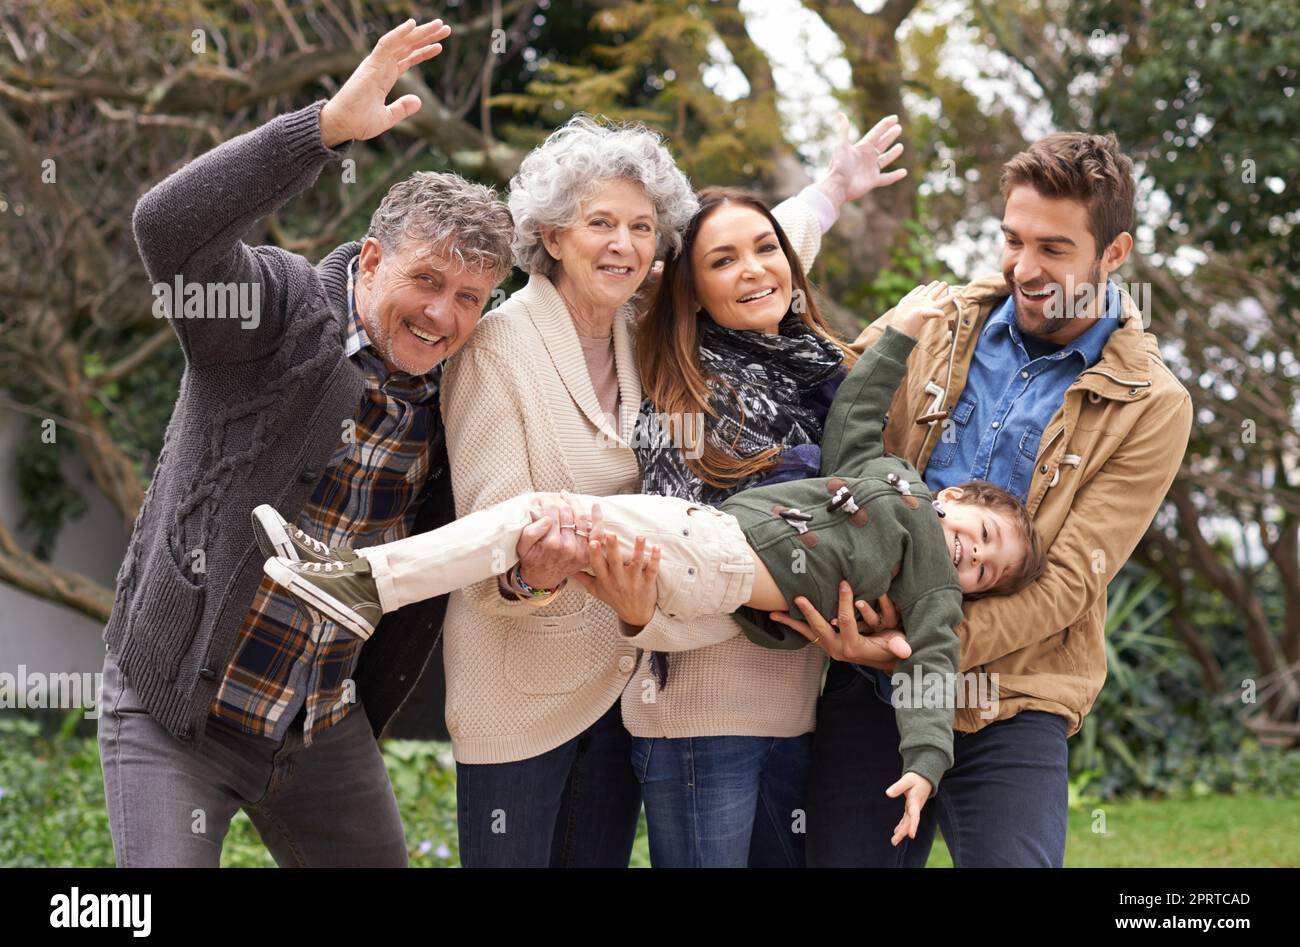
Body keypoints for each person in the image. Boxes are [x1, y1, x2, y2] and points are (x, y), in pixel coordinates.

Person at [259, 281, 1047, 842]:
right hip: (705, 558)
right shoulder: (888, 482)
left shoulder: (930, 582)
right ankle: (361, 582)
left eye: (986, 569)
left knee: (540, 510)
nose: (972, 556)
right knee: (546, 527)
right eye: (982, 534)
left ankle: (363, 581)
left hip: (717, 556)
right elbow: (855, 419)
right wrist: (904, 331)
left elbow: (934, 669)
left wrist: (924, 763)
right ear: (956, 498)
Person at [98, 18, 518, 866]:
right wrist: (322, 129)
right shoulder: (278, 314)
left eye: (470, 297)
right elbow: (167, 232)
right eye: (426, 280)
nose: (443, 315)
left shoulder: (465, 391)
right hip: (177, 709)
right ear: (369, 261)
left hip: (318, 725)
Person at [433, 136, 906, 866]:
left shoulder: (641, 322)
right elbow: (484, 549)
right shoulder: (499, 348)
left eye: (643, 227)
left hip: (622, 686)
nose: (624, 244)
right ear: (552, 234)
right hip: (521, 700)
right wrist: (533, 571)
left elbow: (745, 260)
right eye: (601, 224)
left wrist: (832, 191)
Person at [797, 132, 1194, 867]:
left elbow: (1072, 582)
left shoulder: (1154, 403)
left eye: (1054, 248)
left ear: (1114, 254)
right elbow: (835, 431)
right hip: (869, 681)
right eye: (1013, 239)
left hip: (1015, 691)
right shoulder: (933, 323)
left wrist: (911, 649)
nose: (1024, 267)